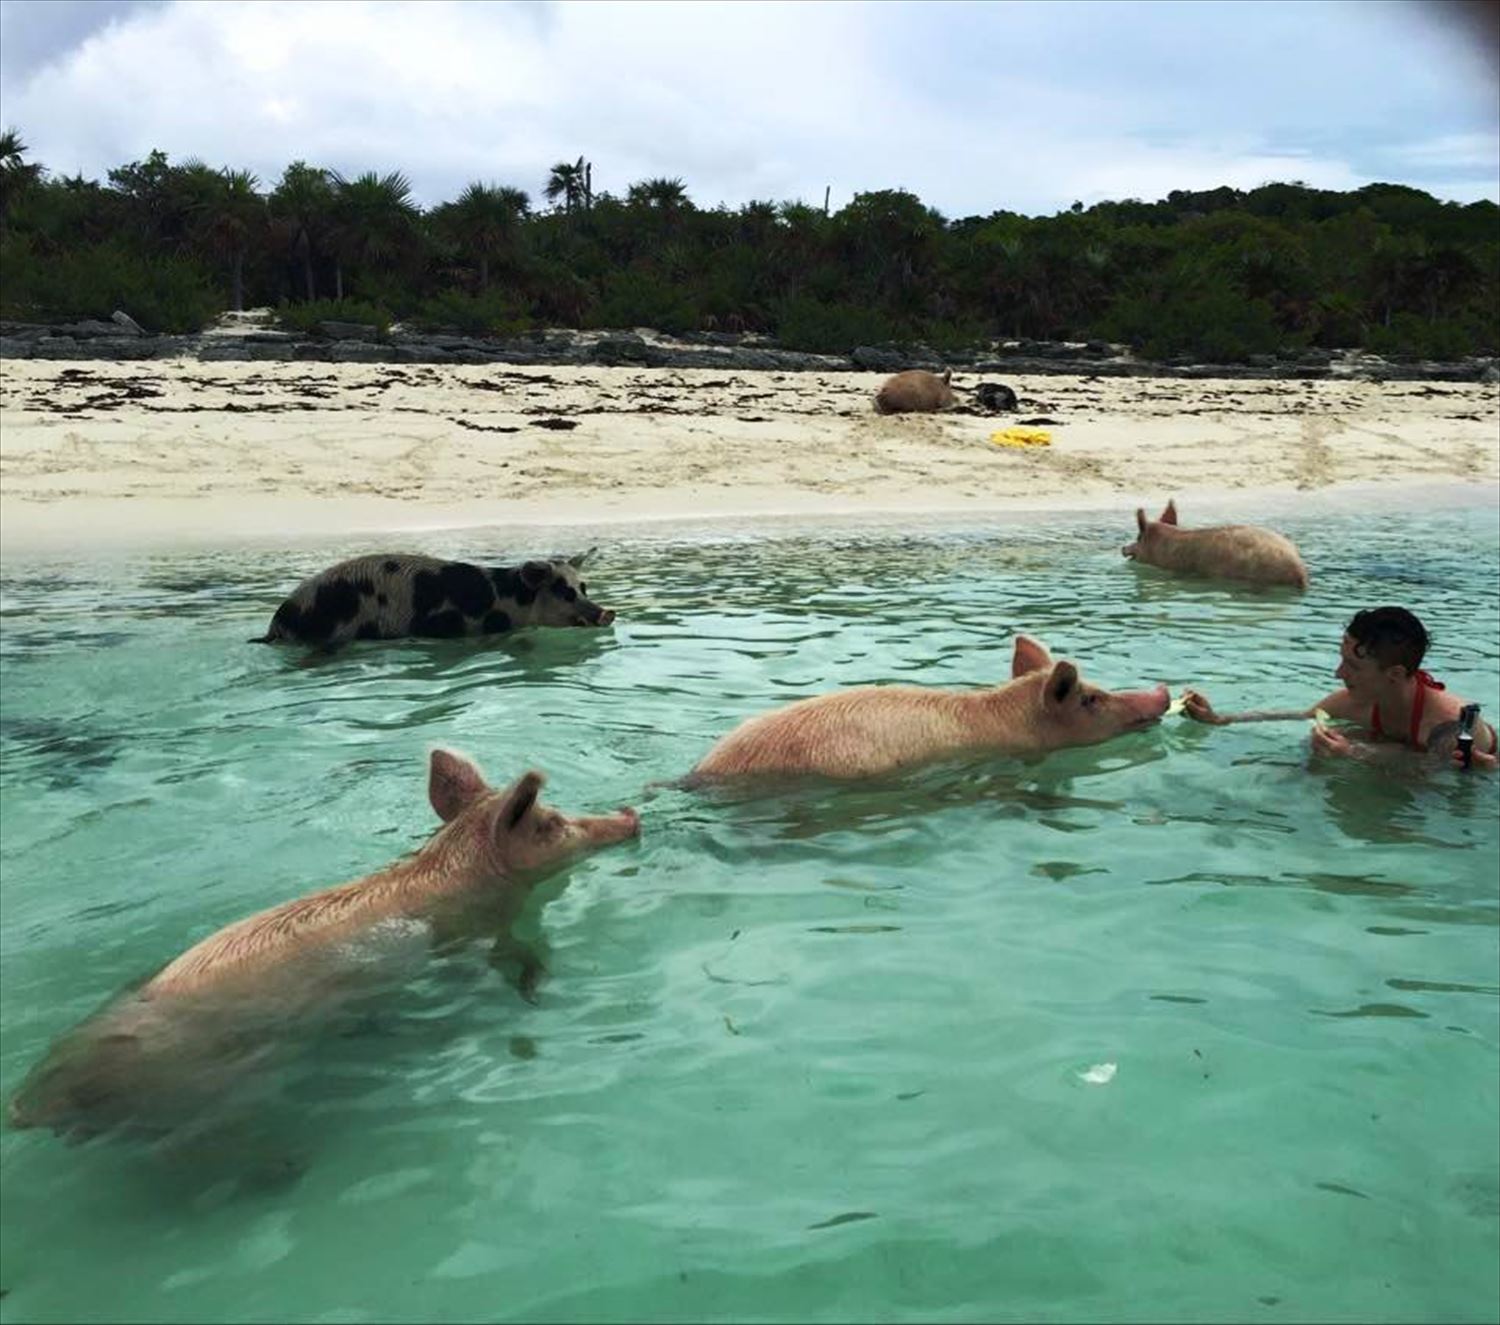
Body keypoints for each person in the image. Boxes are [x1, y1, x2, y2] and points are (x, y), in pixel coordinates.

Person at [1183, 606, 1498, 771]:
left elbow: (1435, 772)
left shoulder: (1452, 724)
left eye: (1353, 666)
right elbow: (1299, 715)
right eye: (1342, 660)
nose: (1338, 673)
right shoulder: (1355, 702)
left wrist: (1355, 752)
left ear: (1395, 673)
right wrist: (1220, 719)